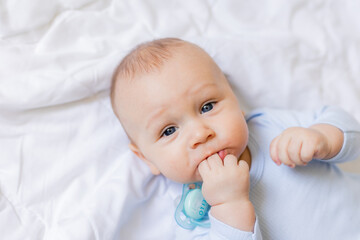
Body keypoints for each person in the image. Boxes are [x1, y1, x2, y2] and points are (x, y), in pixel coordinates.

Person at [110, 38, 360, 239]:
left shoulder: (269, 126)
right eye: (168, 131)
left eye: (207, 106)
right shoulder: (195, 220)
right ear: (146, 158)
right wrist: (228, 204)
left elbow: (353, 135)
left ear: (236, 102)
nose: (200, 134)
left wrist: (324, 138)